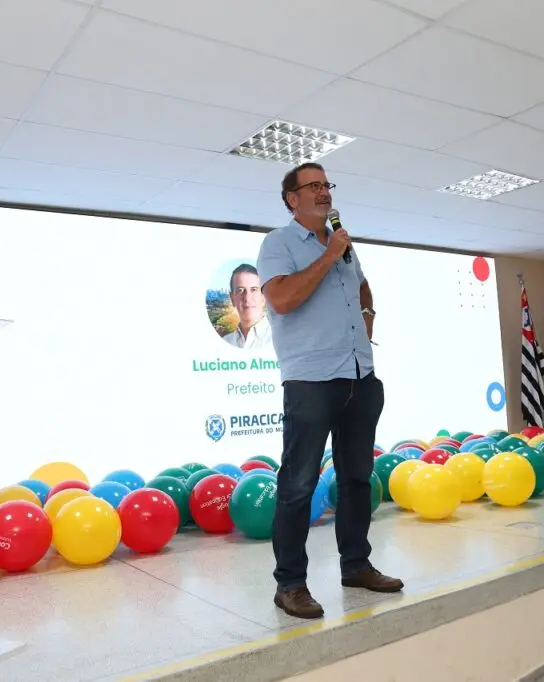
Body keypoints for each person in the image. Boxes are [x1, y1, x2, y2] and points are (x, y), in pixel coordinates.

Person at [256, 162, 403, 620]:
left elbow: (359, 285)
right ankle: (291, 585)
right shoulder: (279, 244)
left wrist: (369, 313)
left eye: (326, 185)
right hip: (311, 380)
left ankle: (356, 565)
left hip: (361, 376)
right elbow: (281, 298)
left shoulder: (342, 245)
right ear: (291, 199)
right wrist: (328, 254)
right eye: (313, 186)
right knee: (298, 484)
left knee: (358, 479)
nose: (323, 192)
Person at [222, 263, 272, 349]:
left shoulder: (280, 339)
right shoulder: (224, 343)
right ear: (232, 298)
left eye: (253, 290)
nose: (247, 298)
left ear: (264, 296)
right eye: (240, 290)